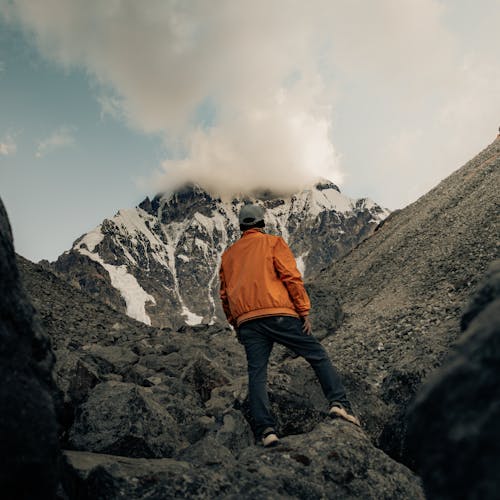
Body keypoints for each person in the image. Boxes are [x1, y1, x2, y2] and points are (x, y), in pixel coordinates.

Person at [219, 203, 360, 447]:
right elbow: (291, 277)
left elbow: (224, 294)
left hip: (248, 323)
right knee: (316, 355)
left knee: (257, 374)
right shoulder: (272, 243)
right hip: (279, 314)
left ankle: (266, 431)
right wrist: (303, 310)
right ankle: (340, 405)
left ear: (241, 226)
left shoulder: (228, 255)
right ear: (262, 223)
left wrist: (236, 324)